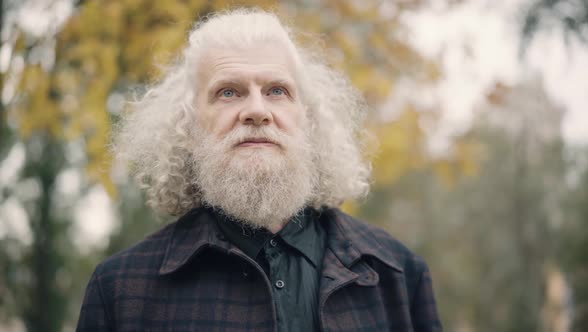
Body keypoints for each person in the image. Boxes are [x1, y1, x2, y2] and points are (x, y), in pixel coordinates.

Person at [76, 8, 442, 332]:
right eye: (228, 93)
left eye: (277, 91)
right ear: (188, 128)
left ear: (309, 121)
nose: (256, 110)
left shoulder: (399, 275)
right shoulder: (121, 290)